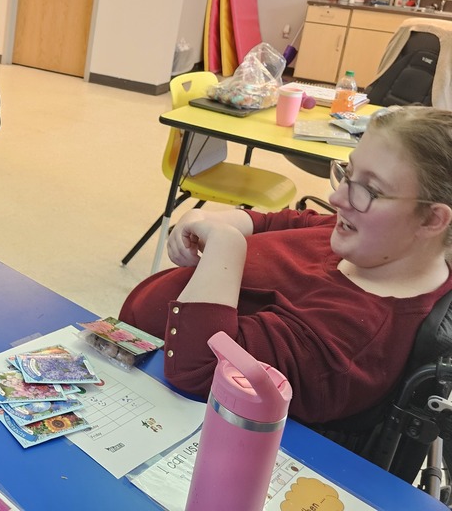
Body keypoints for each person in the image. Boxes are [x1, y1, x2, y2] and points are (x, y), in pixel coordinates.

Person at [120, 106, 452, 425]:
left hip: (157, 388)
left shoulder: (353, 338)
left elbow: (203, 369)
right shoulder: (371, 244)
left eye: (368, 189)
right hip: (135, 347)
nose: (337, 199)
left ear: (432, 219)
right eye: (347, 173)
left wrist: (225, 245)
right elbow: (281, 221)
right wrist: (205, 217)